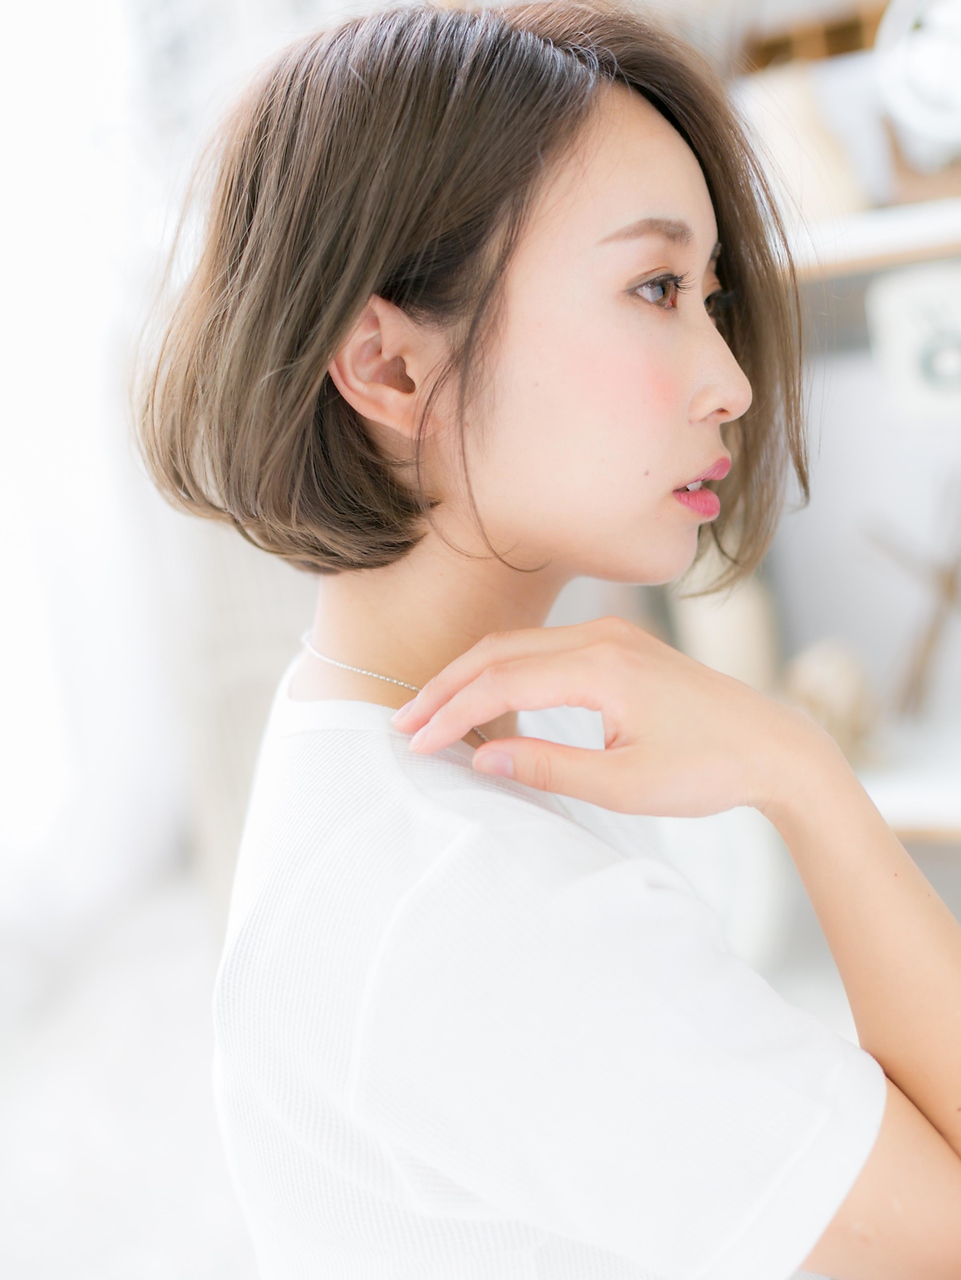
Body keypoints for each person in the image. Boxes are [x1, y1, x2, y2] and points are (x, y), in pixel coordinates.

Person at [134, 2, 961, 1277]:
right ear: (390, 369)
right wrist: (802, 773)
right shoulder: (461, 898)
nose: (731, 380)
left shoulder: (433, 745)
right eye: (654, 287)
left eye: (708, 295)